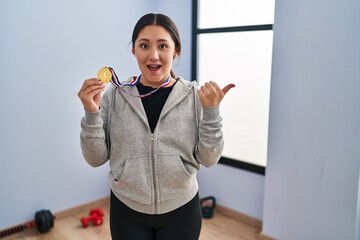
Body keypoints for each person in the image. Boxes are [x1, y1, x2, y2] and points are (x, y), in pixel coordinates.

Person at [77, 13, 235, 240]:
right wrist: (91, 113)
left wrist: (211, 112)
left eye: (163, 46)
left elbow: (209, 158)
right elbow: (95, 159)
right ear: (134, 50)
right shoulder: (114, 97)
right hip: (126, 210)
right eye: (144, 45)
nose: (153, 56)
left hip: (182, 211)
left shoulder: (193, 96)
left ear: (176, 51)